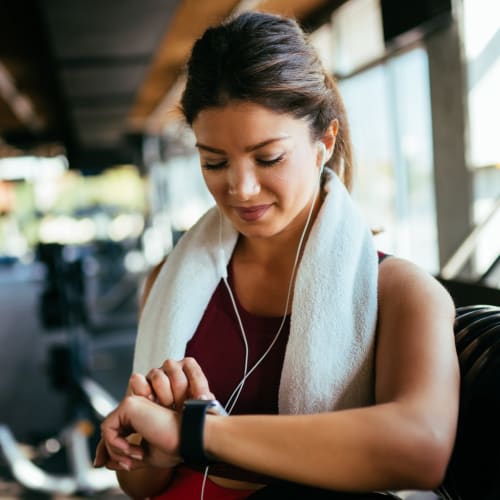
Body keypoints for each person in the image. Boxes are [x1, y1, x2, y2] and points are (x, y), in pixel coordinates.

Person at [93, 11, 460, 500]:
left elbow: (421, 451)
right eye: (214, 162)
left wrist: (197, 434)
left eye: (269, 158)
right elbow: (140, 485)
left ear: (323, 143)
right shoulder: (167, 280)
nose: (240, 189)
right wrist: (138, 445)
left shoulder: (400, 292)